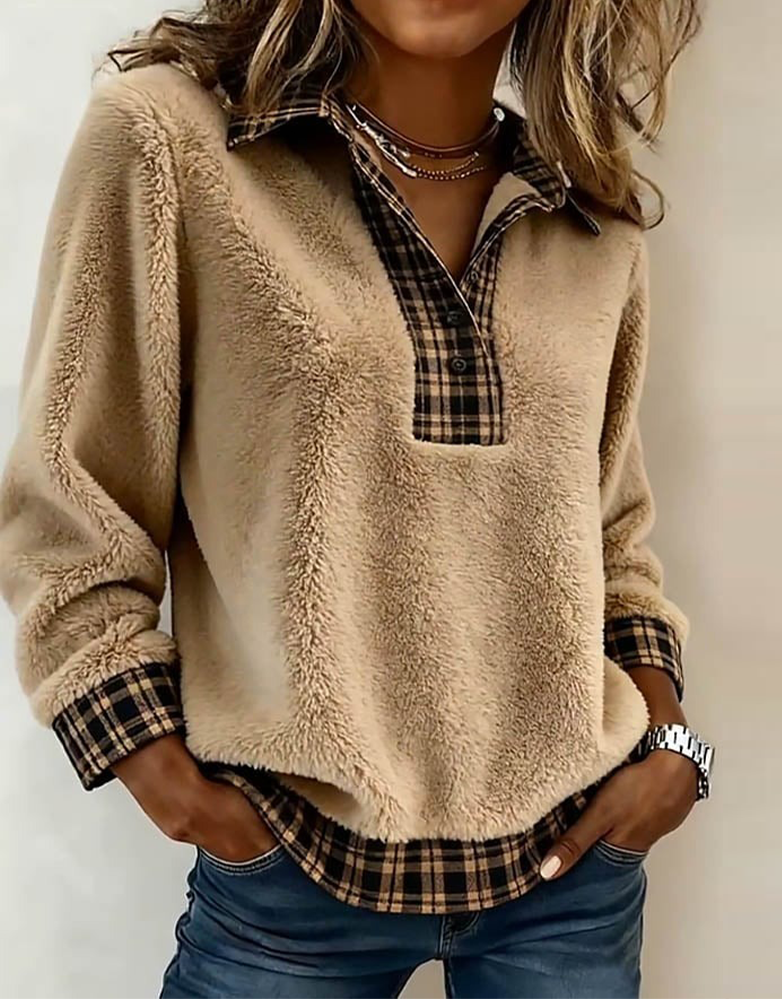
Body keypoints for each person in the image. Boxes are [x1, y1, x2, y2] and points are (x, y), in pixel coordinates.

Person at [0, 1, 716, 997]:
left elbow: (610, 538)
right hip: (287, 880)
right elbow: (70, 509)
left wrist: (670, 750)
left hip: (569, 882)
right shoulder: (169, 141)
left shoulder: (587, 211)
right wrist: (166, 780)